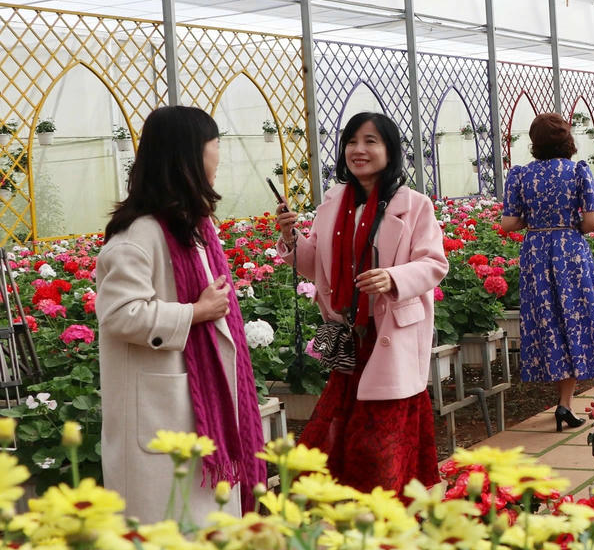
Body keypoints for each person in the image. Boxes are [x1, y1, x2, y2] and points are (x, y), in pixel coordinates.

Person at [96, 106, 266, 524]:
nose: (219, 155)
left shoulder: (192, 226)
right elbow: (120, 315)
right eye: (214, 144)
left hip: (196, 398)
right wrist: (195, 312)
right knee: (168, 534)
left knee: (203, 530)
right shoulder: (139, 234)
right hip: (164, 408)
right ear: (188, 155)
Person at [276, 112, 448, 494]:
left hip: (390, 334)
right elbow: (317, 265)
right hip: (348, 336)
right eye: (352, 142)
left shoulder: (414, 205)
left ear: (390, 150)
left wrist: (393, 278)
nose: (359, 150)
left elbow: (434, 263)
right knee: (334, 433)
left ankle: (388, 508)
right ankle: (349, 507)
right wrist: (291, 239)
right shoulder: (334, 204)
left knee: (381, 440)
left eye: (371, 141)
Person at [500, 114, 594, 431]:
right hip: (570, 251)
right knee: (573, 318)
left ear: (534, 143)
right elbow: (593, 222)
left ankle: (563, 402)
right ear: (567, 140)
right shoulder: (577, 171)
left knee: (547, 320)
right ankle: (565, 404)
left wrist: (534, 221)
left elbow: (508, 223)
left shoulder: (521, 175)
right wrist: (567, 226)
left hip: (536, 253)